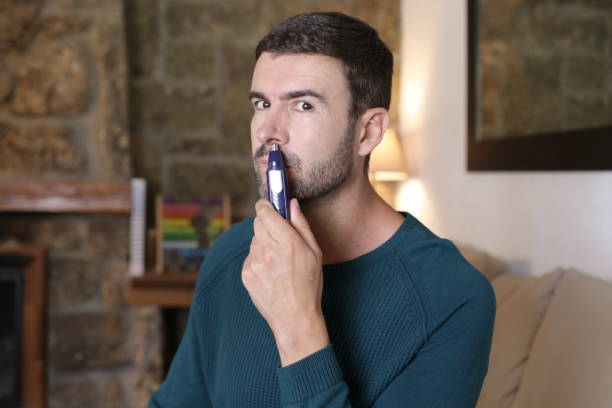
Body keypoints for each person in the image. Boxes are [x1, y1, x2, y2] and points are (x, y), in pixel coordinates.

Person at [149, 12, 495, 408]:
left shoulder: (453, 298)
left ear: (368, 132)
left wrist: (298, 323)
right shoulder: (233, 253)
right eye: (262, 103)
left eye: (303, 105)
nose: (267, 131)